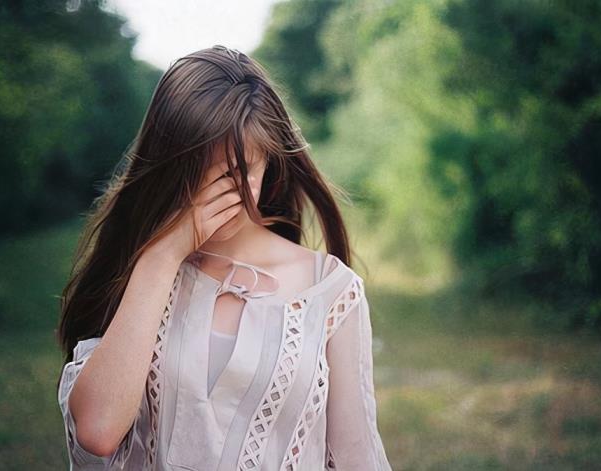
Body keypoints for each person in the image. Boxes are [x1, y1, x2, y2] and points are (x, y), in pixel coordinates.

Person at [55, 44, 393, 471]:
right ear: (169, 167)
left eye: (238, 172)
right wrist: (164, 255)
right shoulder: (142, 266)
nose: (215, 194)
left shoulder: (330, 290)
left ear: (269, 162)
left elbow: (356, 456)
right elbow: (98, 431)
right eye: (200, 171)